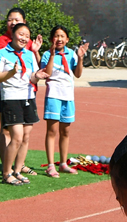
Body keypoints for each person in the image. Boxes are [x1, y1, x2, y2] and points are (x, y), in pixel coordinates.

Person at [0, 7, 41, 174]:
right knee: (10, 132)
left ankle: (18, 168)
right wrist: (11, 73)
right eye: (10, 20)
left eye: (17, 20)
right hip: (9, 94)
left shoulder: (29, 50)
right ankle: (7, 168)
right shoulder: (2, 44)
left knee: (24, 135)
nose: (13, 22)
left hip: (27, 94)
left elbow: (34, 73)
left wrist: (36, 57)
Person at [38, 27, 86, 178]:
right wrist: (52, 55)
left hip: (68, 97)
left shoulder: (71, 53)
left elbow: (77, 74)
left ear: (67, 40)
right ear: (52, 39)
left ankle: (63, 163)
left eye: (62, 36)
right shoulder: (46, 54)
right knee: (52, 131)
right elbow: (47, 73)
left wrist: (81, 58)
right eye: (56, 36)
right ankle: (51, 165)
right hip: (53, 95)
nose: (59, 39)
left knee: (65, 131)